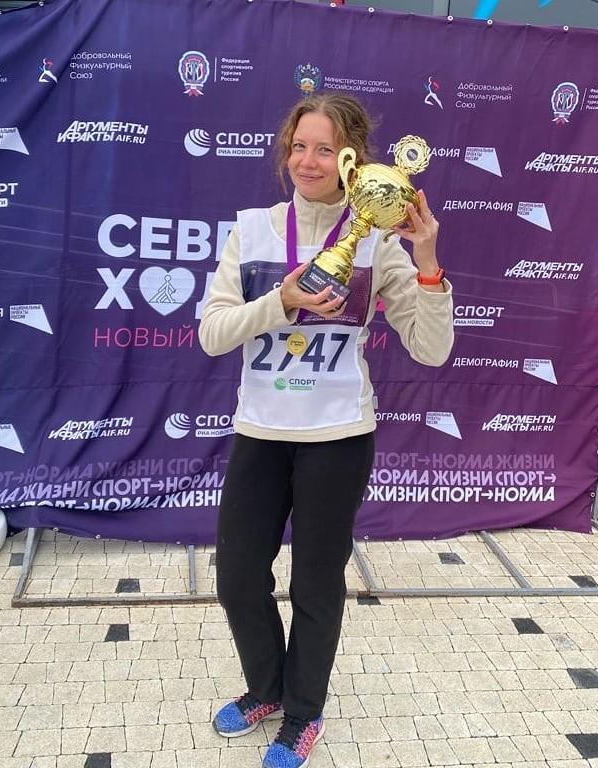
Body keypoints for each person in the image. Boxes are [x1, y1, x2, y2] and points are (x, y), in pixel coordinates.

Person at [198, 92, 454, 768]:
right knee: (238, 577)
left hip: (338, 437)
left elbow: (431, 350)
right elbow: (212, 334)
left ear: (352, 162)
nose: (306, 161)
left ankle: (303, 712)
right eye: (298, 146)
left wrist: (427, 260)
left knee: (316, 584)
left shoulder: (378, 239)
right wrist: (279, 300)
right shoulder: (253, 229)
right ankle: (267, 689)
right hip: (261, 430)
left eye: (323, 149)